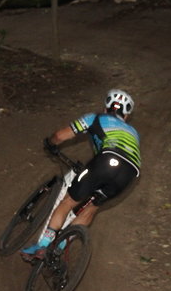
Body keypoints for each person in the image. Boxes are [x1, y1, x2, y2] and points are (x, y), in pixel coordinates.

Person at [21, 88, 141, 262]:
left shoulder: (96, 118)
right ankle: (59, 247)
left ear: (106, 106)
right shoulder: (133, 132)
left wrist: (51, 143)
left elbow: (61, 135)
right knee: (91, 208)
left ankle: (43, 247)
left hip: (106, 161)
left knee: (68, 202)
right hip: (130, 172)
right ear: (127, 116)